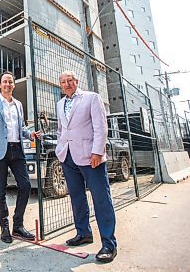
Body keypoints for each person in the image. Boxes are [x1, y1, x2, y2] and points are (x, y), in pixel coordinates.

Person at [55, 71, 117, 263]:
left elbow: (101, 127)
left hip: (91, 157)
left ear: (76, 81)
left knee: (101, 199)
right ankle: (83, 233)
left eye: (69, 81)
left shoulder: (91, 98)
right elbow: (61, 129)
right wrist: (60, 149)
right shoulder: (59, 104)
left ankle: (109, 243)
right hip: (68, 156)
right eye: (63, 82)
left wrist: (97, 151)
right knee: (77, 197)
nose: (67, 84)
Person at [0, 71, 41, 243]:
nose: (7, 84)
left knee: (25, 185)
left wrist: (30, 135)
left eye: (10, 82)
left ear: (14, 85)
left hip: (17, 150)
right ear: (0, 84)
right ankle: (4, 227)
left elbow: (21, 127)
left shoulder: (18, 104)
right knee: (0, 190)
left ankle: (18, 224)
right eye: (4, 81)